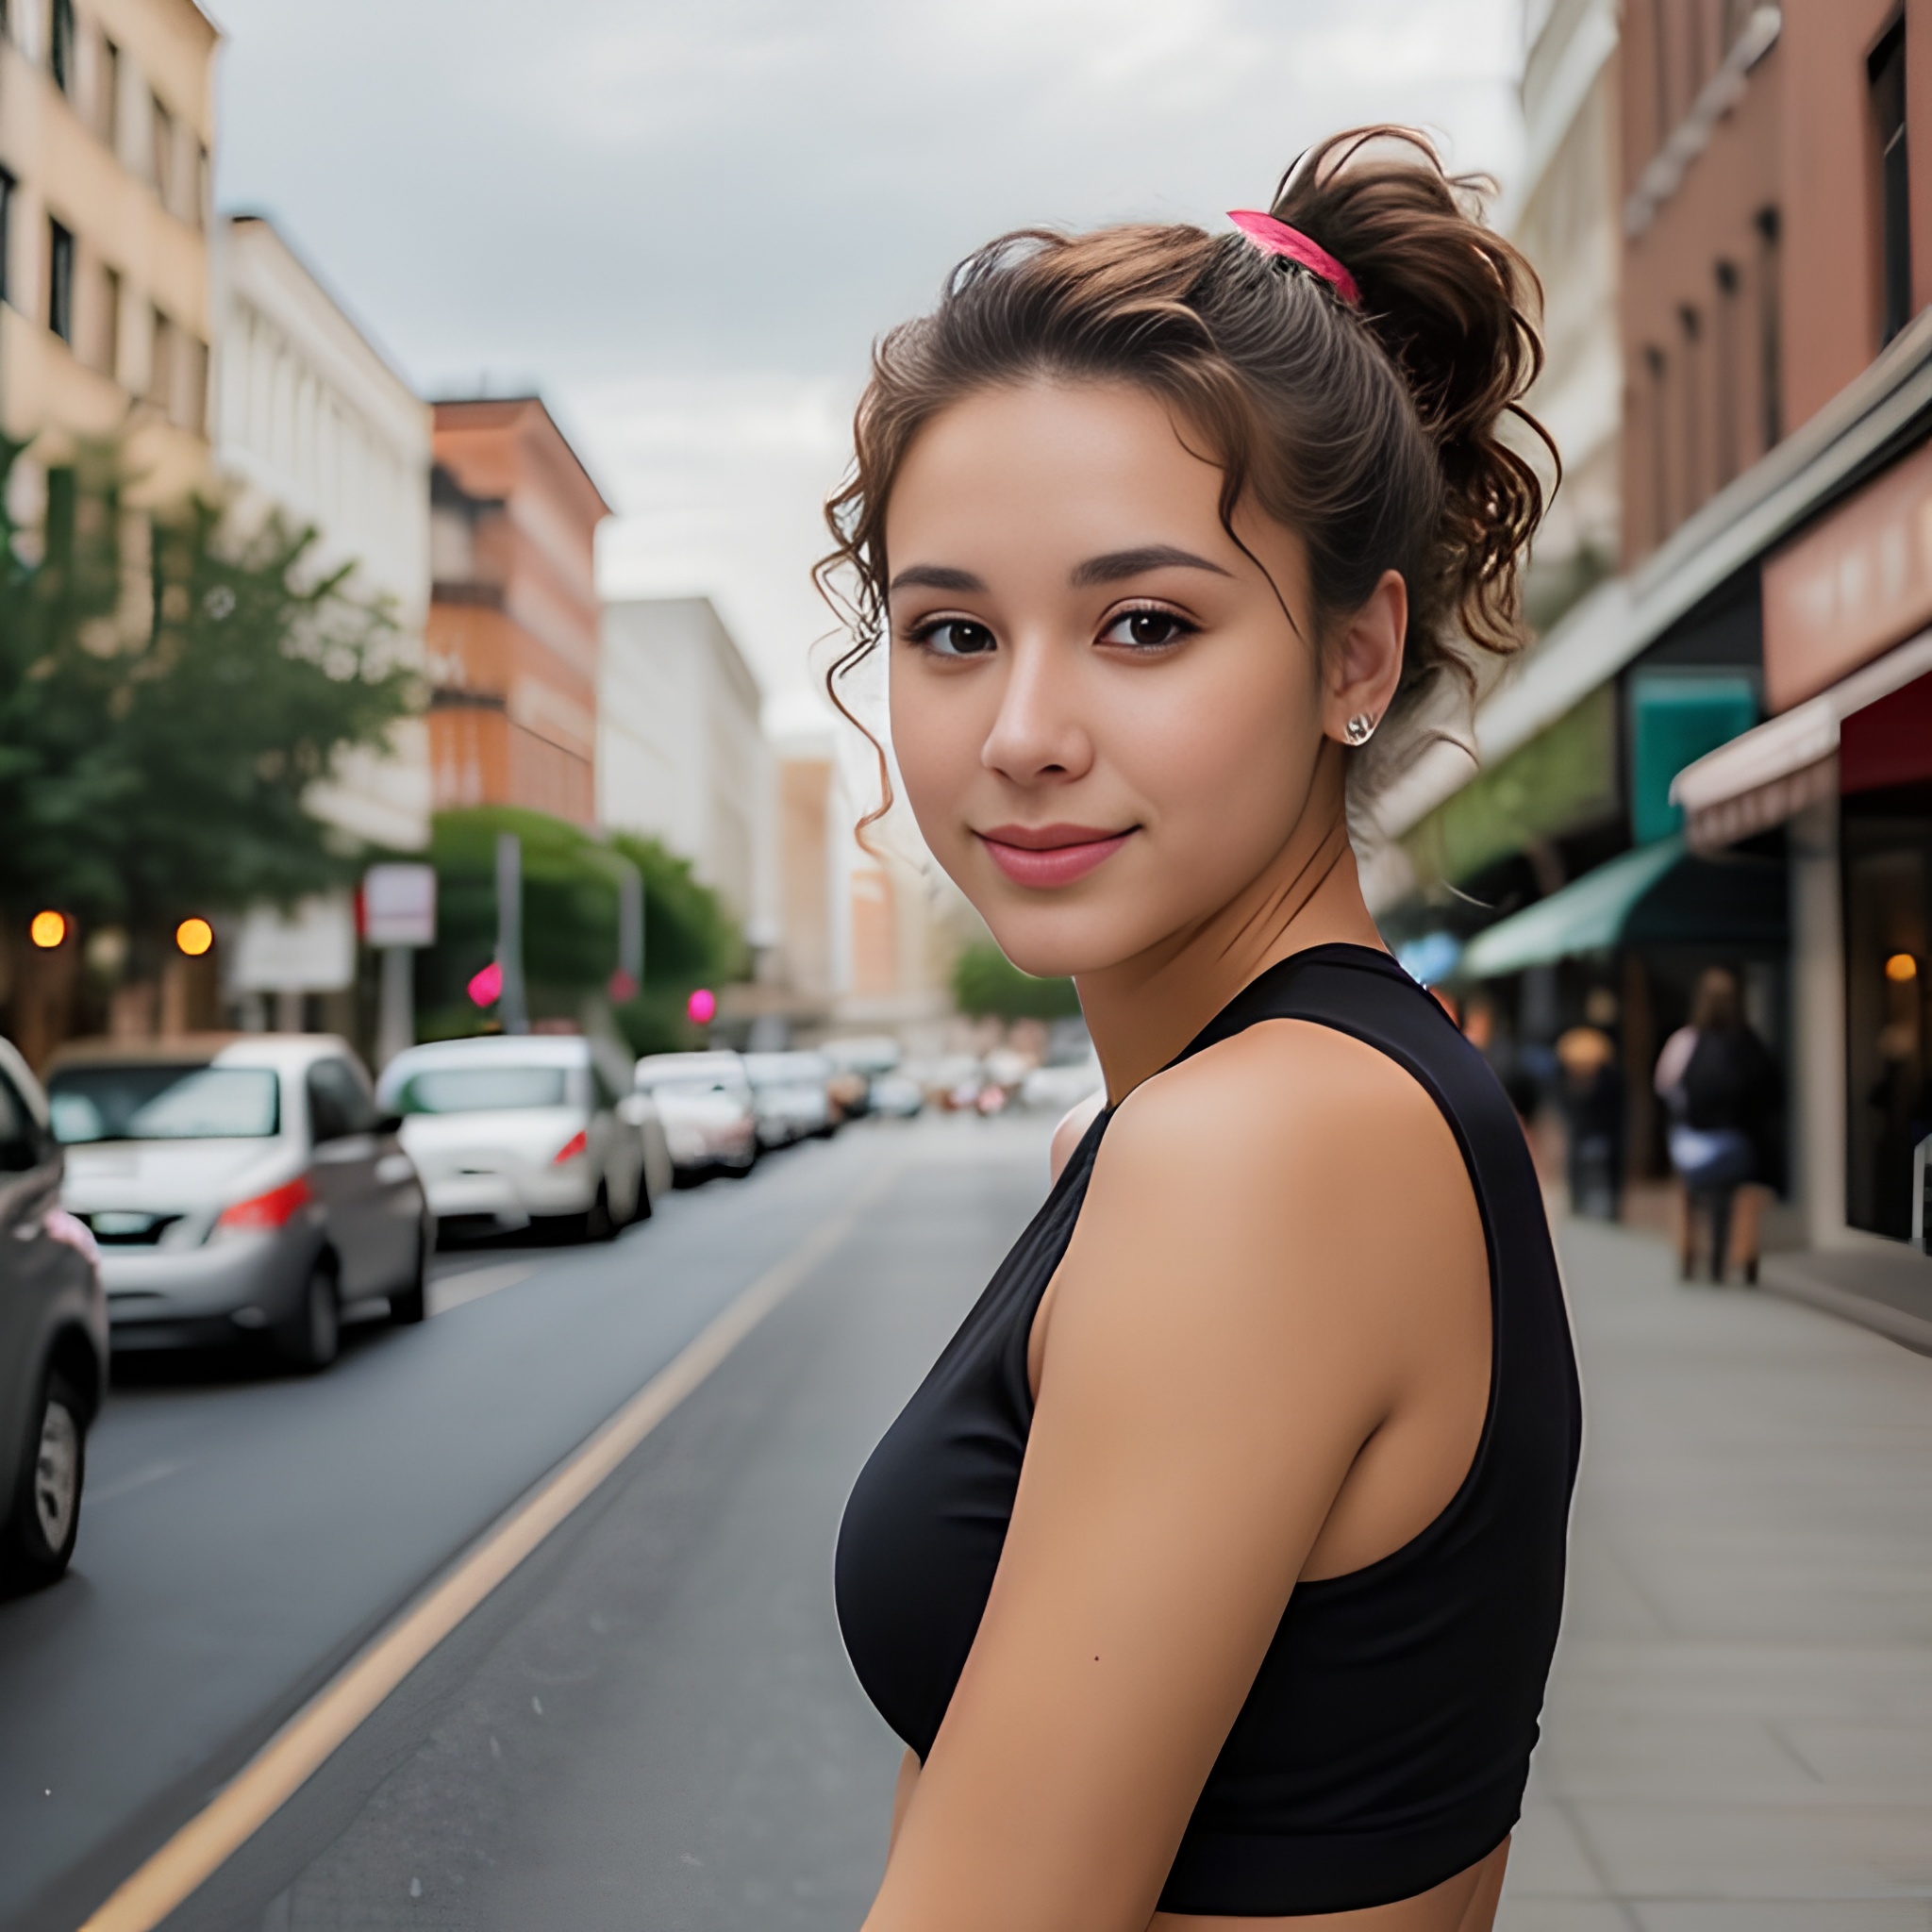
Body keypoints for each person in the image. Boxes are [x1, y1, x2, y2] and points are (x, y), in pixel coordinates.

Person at [829, 129, 1582, 1932]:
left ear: (1353, 657)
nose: (1019, 729)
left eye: (1143, 623)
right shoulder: (1262, 1100)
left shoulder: (1257, 1144)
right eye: (949, 630)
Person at [1655, 966, 1780, 1284]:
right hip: (1741, 1148)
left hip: (1693, 1147)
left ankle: (1691, 1253)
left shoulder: (1685, 1041)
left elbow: (1665, 1087)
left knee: (1688, 1191)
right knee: (1743, 1194)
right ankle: (1742, 1257)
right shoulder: (1751, 1043)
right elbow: (1771, 1093)